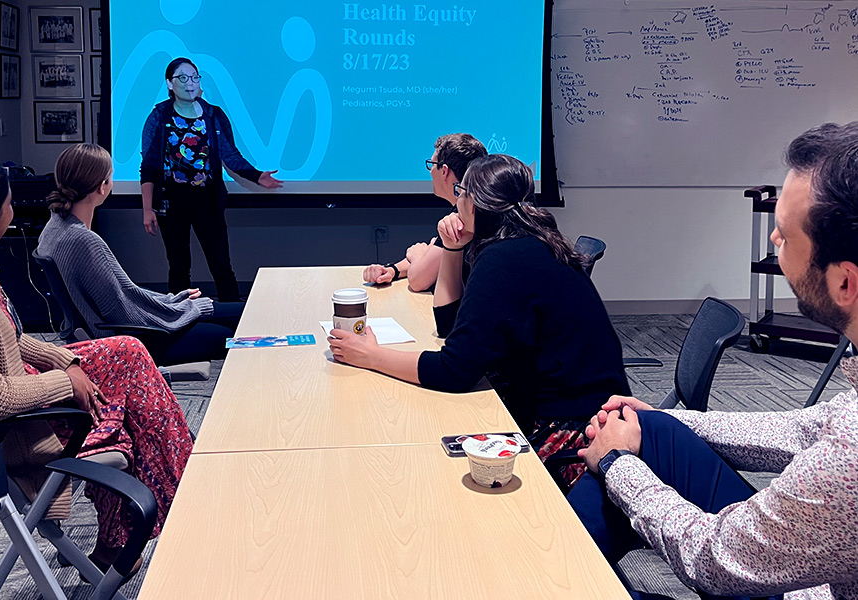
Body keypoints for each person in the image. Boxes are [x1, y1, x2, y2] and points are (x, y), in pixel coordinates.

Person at [568, 122, 858, 600]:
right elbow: (802, 432)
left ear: (845, 282)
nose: (773, 238)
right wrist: (662, 419)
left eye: (786, 236)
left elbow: (712, 560)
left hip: (790, 585)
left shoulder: (849, 459)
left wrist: (618, 463)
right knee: (650, 428)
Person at [0, 154, 193, 577]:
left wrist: (66, 361)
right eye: (9, 204)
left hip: (26, 391)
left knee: (129, 354)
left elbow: (8, 337)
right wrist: (65, 382)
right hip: (13, 430)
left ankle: (165, 500)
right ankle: (186, 495)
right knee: (129, 410)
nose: (14, 210)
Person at [330, 154, 630, 446]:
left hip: (574, 431)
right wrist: (452, 248)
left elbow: (454, 371)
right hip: (594, 414)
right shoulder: (530, 241)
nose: (456, 201)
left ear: (473, 203)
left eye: (460, 192)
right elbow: (450, 325)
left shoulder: (504, 259)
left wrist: (371, 356)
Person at [38, 143, 243, 364]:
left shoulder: (54, 228)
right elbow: (124, 310)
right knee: (235, 328)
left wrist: (174, 300)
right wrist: (182, 307)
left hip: (127, 331)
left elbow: (124, 297)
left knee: (235, 316)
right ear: (102, 187)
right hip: (136, 340)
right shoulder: (84, 241)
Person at [140, 57, 282, 302]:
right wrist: (147, 209)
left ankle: (233, 315)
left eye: (194, 77)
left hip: (208, 200)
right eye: (182, 78)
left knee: (221, 263)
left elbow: (230, 155)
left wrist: (257, 176)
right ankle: (178, 317)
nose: (190, 83)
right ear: (170, 83)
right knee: (178, 265)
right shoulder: (159, 117)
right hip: (171, 202)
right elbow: (149, 166)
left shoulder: (213, 115)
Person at [362, 133, 487, 292]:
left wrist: (417, 255)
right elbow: (433, 259)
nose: (430, 172)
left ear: (444, 171)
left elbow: (418, 280)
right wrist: (392, 270)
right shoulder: (475, 209)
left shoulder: (461, 218)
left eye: (432, 164)